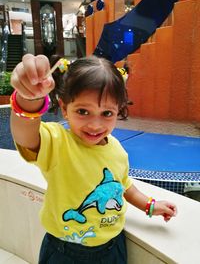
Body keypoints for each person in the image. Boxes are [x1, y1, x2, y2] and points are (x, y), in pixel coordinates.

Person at [10, 53, 177, 264]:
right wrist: (28, 99)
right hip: (65, 251)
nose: (95, 125)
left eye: (107, 113)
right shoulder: (58, 142)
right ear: (64, 108)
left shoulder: (117, 150)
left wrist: (150, 205)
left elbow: (123, 186)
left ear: (119, 110)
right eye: (83, 111)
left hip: (113, 247)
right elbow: (26, 137)